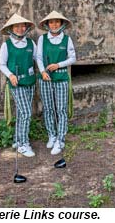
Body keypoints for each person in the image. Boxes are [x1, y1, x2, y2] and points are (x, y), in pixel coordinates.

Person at [36, 11, 76, 155]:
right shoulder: (42, 39)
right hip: (45, 78)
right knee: (48, 108)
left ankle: (61, 139)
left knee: (61, 109)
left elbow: (72, 58)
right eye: (51, 22)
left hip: (61, 78)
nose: (54, 25)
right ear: (47, 25)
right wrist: (43, 71)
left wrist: (58, 65)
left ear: (61, 24)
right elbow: (38, 57)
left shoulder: (66, 39)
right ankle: (52, 135)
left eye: (57, 22)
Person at [0, 14, 37, 157]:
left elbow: (37, 58)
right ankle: (23, 144)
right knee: (27, 113)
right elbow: (2, 64)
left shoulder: (30, 43)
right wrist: (10, 75)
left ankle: (17, 138)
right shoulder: (6, 45)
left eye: (22, 26)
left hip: (30, 82)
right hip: (17, 83)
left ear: (26, 28)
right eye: (17, 26)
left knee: (22, 113)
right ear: (11, 29)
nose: (20, 29)